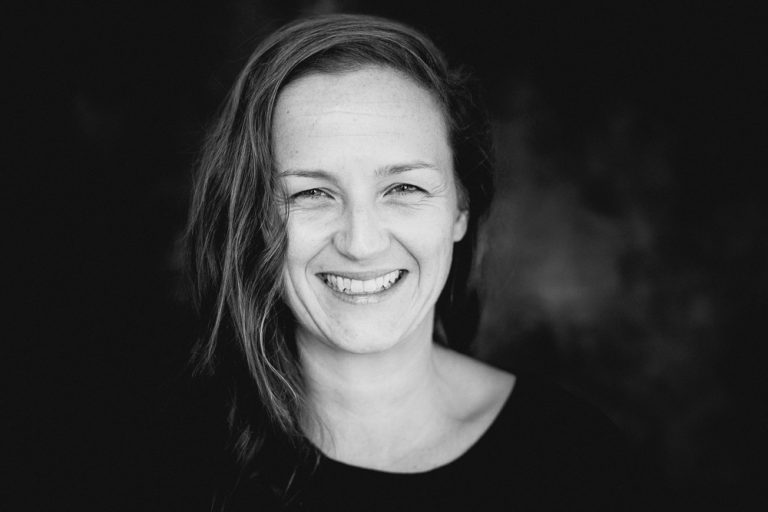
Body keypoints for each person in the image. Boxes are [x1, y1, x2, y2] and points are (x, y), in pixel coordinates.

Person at [183, 13, 631, 511]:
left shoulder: (578, 460)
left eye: (403, 188)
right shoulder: (161, 457)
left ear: (460, 209)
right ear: (254, 220)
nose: (361, 243)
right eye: (311, 193)